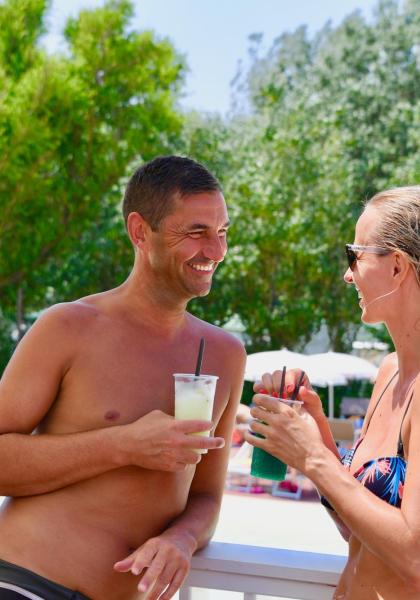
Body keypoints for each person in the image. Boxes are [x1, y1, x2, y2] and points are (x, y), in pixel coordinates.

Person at [0, 155, 246, 600]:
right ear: (139, 231)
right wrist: (123, 445)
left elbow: (206, 496)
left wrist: (182, 538)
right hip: (23, 583)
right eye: (195, 233)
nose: (215, 251)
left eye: (222, 232)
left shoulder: (225, 355)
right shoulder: (68, 326)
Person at [245, 186, 420, 599]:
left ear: (397, 266)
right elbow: (359, 534)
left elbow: (414, 559)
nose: (347, 274)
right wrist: (315, 432)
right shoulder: (390, 372)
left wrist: (313, 455)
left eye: (353, 256)